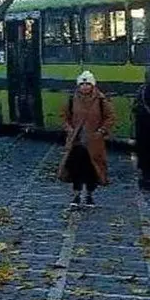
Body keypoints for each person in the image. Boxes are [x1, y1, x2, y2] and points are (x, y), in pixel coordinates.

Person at [57, 71, 116, 207]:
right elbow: (63, 116)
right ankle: (76, 196)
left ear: (92, 85)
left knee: (92, 171)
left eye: (88, 84)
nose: (85, 87)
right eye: (82, 84)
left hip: (94, 144)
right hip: (76, 143)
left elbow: (110, 117)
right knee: (76, 170)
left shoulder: (101, 100)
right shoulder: (72, 99)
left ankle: (89, 196)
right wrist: (70, 129)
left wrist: (101, 131)